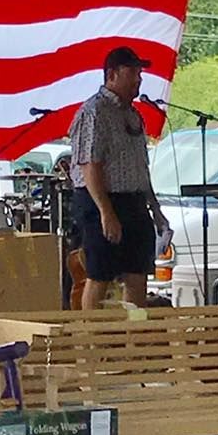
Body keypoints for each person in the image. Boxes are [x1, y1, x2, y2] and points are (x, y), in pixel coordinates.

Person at [69, 46, 171, 309]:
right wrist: (106, 212)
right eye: (132, 72)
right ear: (112, 74)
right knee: (99, 274)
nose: (138, 79)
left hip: (134, 200)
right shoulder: (94, 111)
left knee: (137, 273)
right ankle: (91, 341)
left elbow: (140, 167)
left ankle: (131, 338)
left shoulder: (133, 114)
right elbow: (90, 165)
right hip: (101, 200)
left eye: (140, 73)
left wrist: (156, 210)